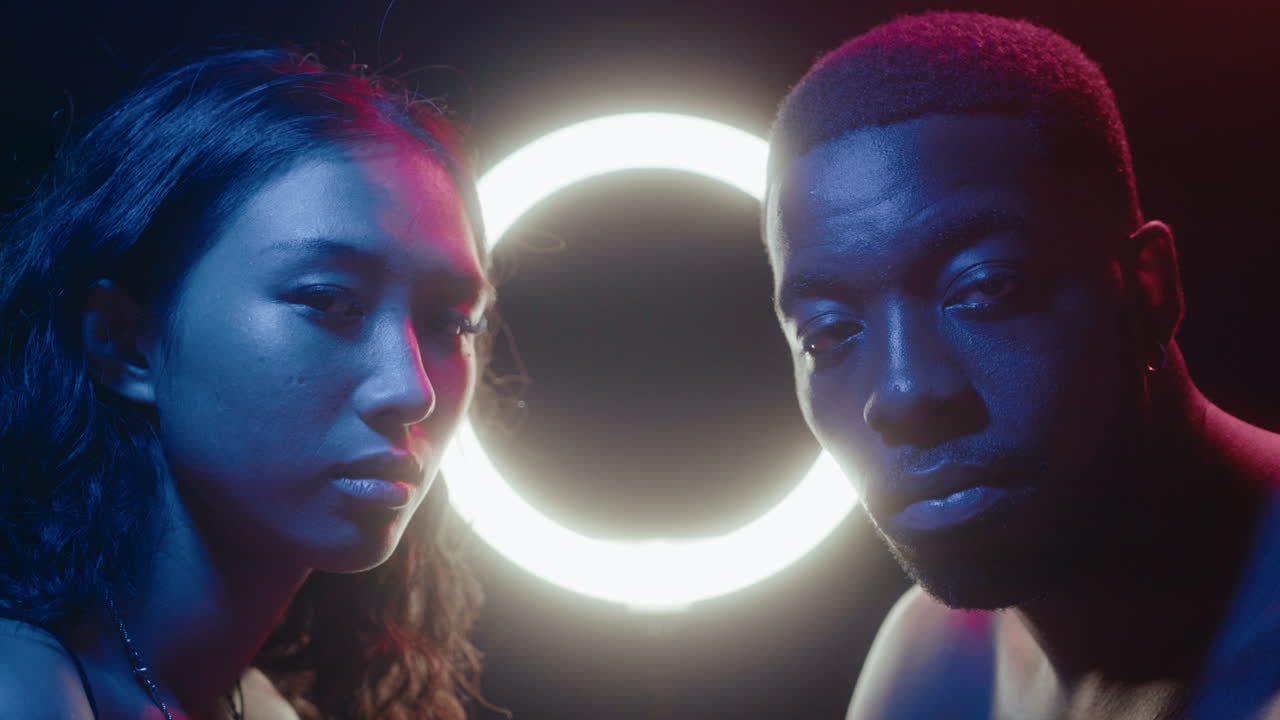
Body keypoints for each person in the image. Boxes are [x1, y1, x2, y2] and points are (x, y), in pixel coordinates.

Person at [764, 11, 1280, 720]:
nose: (904, 393)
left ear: (1149, 291)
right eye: (828, 335)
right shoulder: (939, 658)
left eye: (984, 289)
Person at [0, 48, 495, 719]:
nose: (412, 391)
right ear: (122, 342)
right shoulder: (23, 686)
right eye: (329, 300)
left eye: (452, 324)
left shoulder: (261, 706)